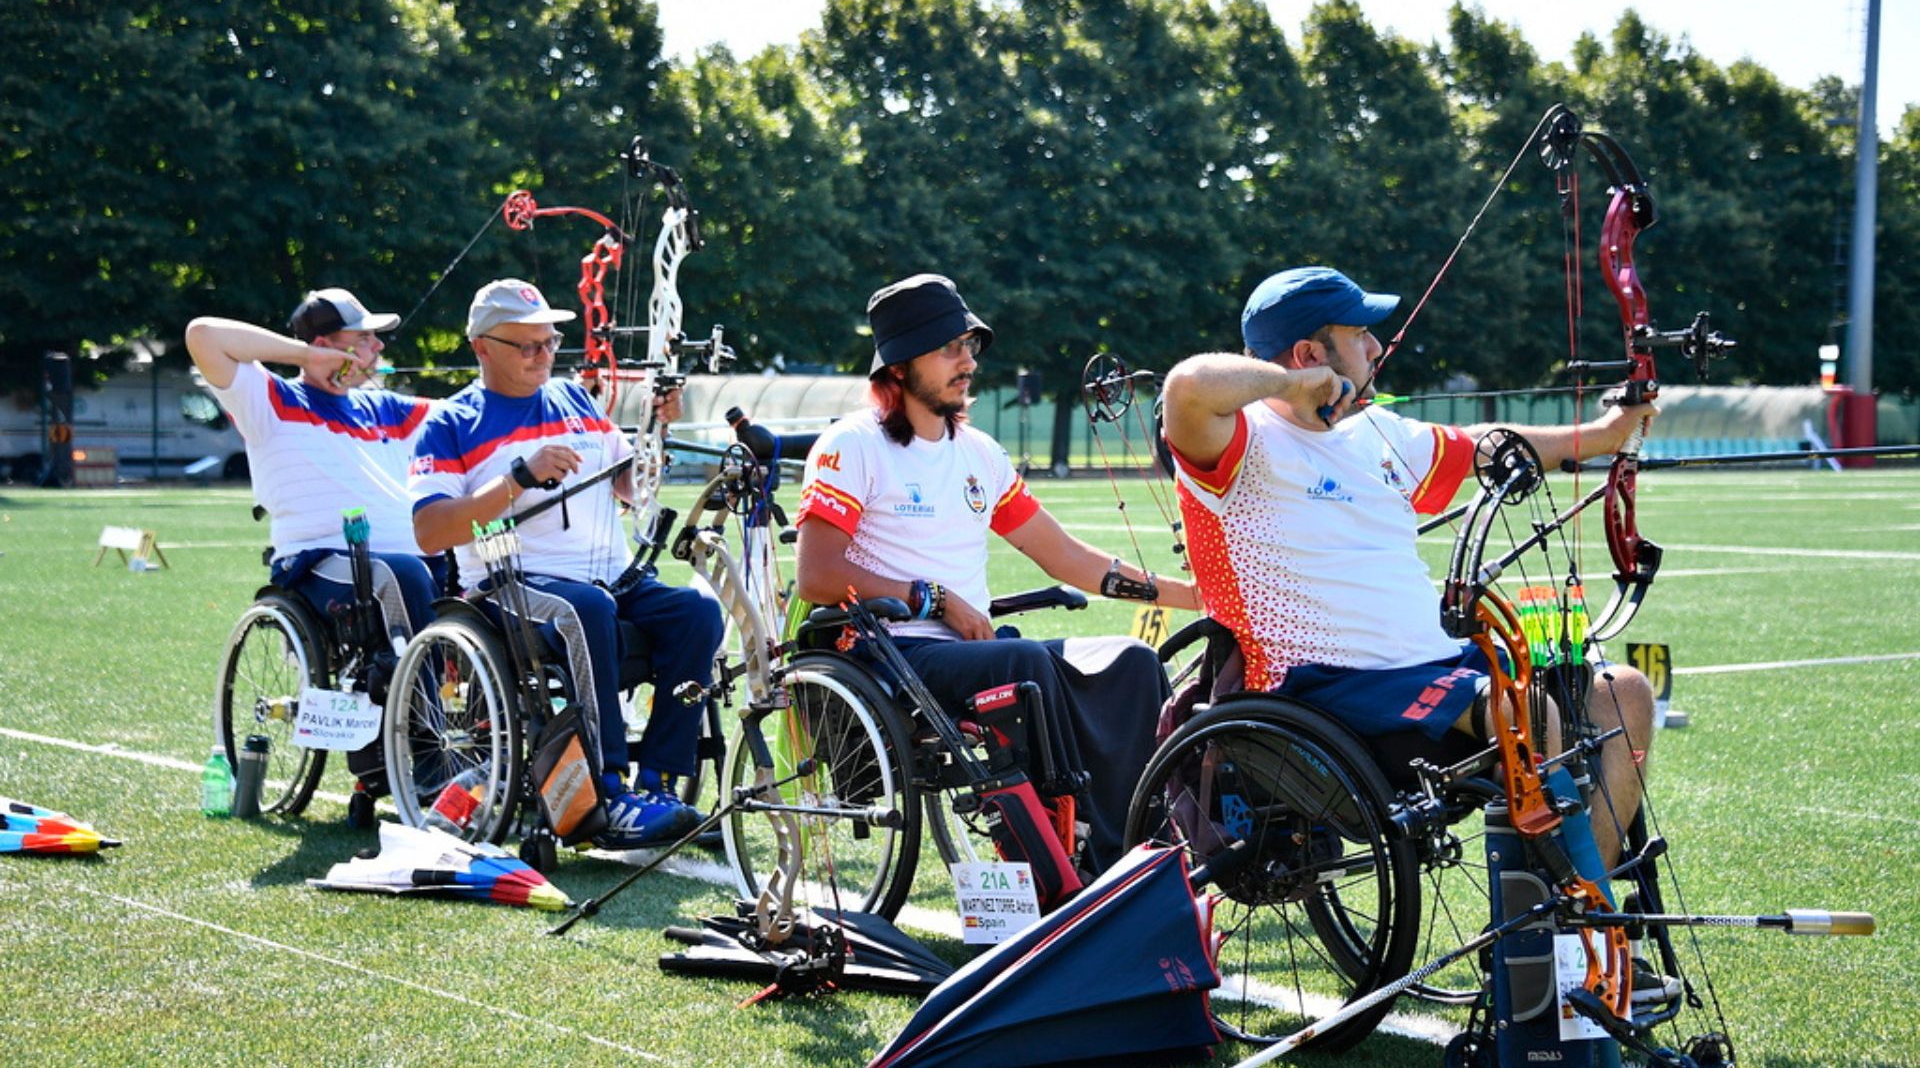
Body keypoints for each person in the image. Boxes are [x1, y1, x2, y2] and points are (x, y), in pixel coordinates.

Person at [1160, 265, 1661, 874]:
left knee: (1623, 695)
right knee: (1531, 710)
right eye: (1360, 333)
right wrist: (1294, 386)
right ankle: (1561, 929)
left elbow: (1487, 444)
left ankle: (1584, 913)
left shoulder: (1378, 432)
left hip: (1437, 672)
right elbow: (1187, 386)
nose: (1376, 346)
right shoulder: (1237, 442)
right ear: (1309, 353)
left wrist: (1606, 434)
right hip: (1326, 691)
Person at [794, 273, 1200, 875]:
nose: (967, 362)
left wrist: (1191, 596)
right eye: (949, 348)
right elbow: (817, 574)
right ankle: (1083, 854)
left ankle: (1150, 846)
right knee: (1024, 663)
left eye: (969, 346)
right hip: (894, 652)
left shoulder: (979, 452)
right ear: (901, 366)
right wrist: (935, 599)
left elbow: (1064, 555)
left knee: (1131, 661)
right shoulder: (851, 444)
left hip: (973, 650)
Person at [409, 277, 720, 848]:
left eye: (550, 342)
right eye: (526, 346)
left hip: (610, 576)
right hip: (512, 586)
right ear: (482, 346)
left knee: (698, 611)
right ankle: (605, 792)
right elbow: (430, 532)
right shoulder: (451, 422)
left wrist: (657, 427)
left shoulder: (574, 398)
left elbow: (630, 484)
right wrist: (519, 478)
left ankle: (659, 784)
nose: (544, 356)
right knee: (586, 608)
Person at [185, 289, 440, 645]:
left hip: (417, 559)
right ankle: (420, 700)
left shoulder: (387, 408)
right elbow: (203, 335)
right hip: (322, 563)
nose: (379, 346)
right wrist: (308, 357)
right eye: (364, 337)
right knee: (405, 573)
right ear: (325, 345)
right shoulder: (271, 401)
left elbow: (470, 418)